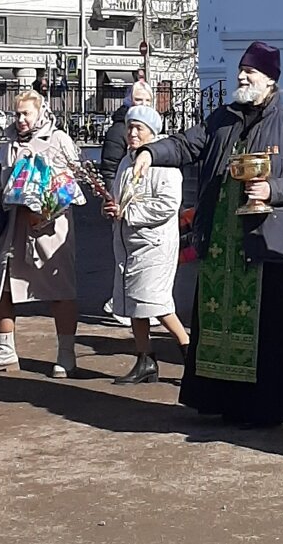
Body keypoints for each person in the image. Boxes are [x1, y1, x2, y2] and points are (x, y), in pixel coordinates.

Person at [133, 41, 283, 427]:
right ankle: (221, 402)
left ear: (270, 79)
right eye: (241, 70)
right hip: (222, 243)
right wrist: (151, 152)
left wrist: (273, 189)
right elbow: (187, 145)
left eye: (250, 71)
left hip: (265, 244)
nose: (241, 76)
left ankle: (261, 410)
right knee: (216, 326)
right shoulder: (223, 118)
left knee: (265, 332)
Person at [0, 90, 85, 378]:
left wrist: (45, 206)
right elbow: (9, 187)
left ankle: (66, 355)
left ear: (41, 112)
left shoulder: (58, 139)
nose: (21, 119)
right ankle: (6, 352)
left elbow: (72, 184)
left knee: (59, 288)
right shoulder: (9, 143)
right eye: (18, 113)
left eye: (27, 113)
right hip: (13, 226)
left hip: (48, 227)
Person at [104, 105, 189, 384]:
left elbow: (167, 205)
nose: (132, 133)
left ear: (152, 131)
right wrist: (111, 208)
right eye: (129, 127)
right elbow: (120, 198)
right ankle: (145, 360)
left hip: (154, 245)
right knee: (133, 303)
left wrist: (127, 212)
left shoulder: (164, 164)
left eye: (138, 128)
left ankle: (190, 353)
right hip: (127, 244)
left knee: (155, 303)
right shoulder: (126, 162)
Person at [100, 78, 155, 326]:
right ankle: (120, 305)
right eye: (137, 99)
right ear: (128, 101)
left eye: (147, 100)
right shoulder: (119, 130)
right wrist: (114, 198)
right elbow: (110, 167)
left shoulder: (152, 128)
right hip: (123, 202)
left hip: (144, 200)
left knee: (145, 257)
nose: (142, 104)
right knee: (126, 255)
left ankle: (139, 304)